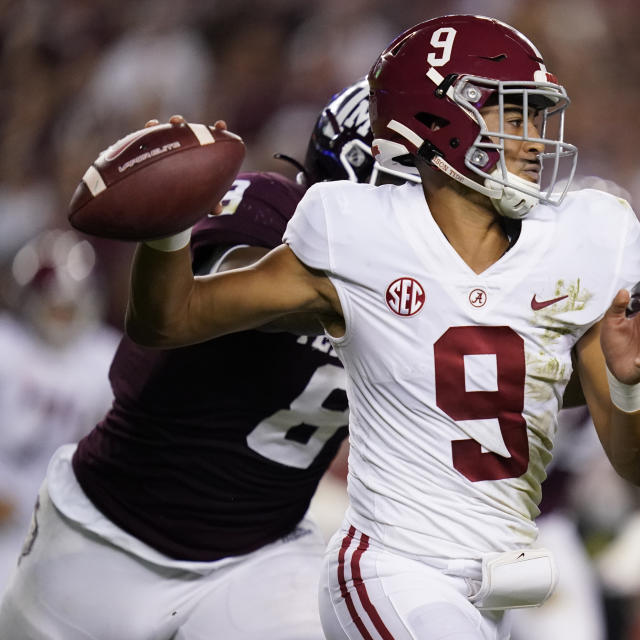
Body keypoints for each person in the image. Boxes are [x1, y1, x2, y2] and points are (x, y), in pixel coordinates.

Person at [121, 14, 640, 640]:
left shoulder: (580, 242)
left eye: (537, 118)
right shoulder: (355, 229)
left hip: (501, 583)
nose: (535, 141)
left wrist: (628, 386)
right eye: (513, 116)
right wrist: (164, 226)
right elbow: (170, 319)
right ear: (439, 119)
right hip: (390, 571)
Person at [0, 79, 402, 639]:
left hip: (259, 559)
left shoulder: (445, 287)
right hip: (106, 536)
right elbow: (207, 290)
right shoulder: (270, 212)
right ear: (372, 170)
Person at [0, 229, 119, 585]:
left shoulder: (105, 357)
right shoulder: (7, 346)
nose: (61, 316)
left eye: (70, 307)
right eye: (53, 305)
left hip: (66, 517)